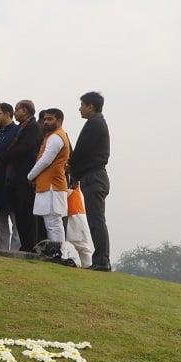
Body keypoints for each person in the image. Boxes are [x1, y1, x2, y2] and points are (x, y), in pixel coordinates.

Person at [68, 91, 111, 271]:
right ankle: (100, 259)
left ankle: (101, 260)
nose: (80, 109)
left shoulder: (95, 123)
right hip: (93, 176)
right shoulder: (96, 123)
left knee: (96, 220)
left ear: (90, 107)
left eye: (82, 105)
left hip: (94, 176)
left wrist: (70, 167)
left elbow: (82, 151)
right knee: (96, 219)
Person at [3, 99, 44, 252]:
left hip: (26, 176)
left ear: (25, 111)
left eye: (17, 109)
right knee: (20, 213)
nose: (15, 112)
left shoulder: (33, 127)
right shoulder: (22, 127)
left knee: (27, 212)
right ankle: (25, 244)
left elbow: (24, 149)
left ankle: (30, 244)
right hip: (17, 177)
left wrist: (6, 156)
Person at [27, 108, 70, 244]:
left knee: (53, 223)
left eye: (50, 119)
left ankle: (60, 254)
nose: (45, 122)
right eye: (44, 119)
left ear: (59, 121)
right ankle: (57, 253)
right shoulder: (52, 136)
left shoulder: (57, 136)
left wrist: (30, 176)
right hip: (49, 185)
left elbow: (46, 160)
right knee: (51, 223)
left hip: (53, 186)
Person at [0, 103, 21, 250]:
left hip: (13, 182)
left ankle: (16, 253)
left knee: (17, 222)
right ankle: (1, 252)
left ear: (8, 114)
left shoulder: (18, 132)